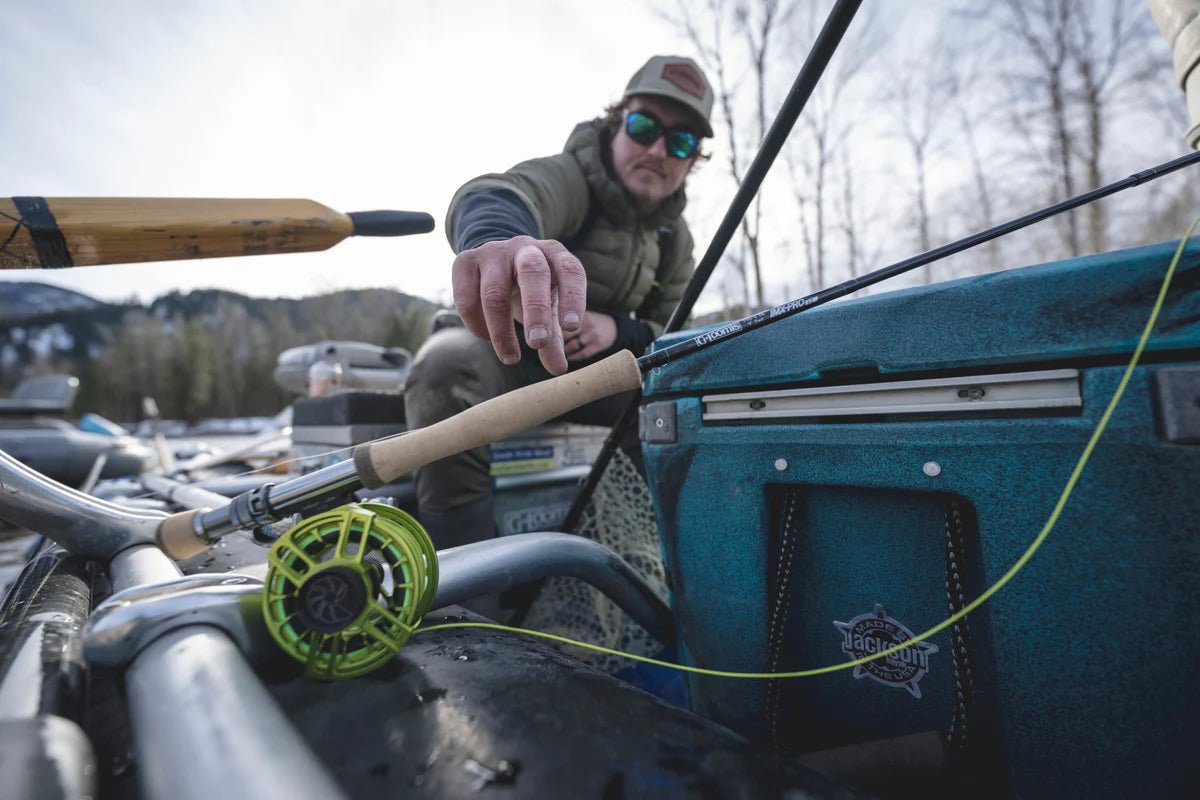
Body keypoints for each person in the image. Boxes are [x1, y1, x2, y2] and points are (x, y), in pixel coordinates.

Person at [404, 54, 714, 557]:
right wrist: (500, 240)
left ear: (693, 159)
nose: (658, 150)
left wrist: (618, 331)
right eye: (643, 126)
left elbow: (673, 336)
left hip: (597, 381)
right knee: (447, 368)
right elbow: (498, 194)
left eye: (681, 142)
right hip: (508, 358)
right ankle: (461, 583)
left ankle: (650, 562)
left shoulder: (675, 241)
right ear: (616, 123)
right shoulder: (571, 177)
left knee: (677, 403)